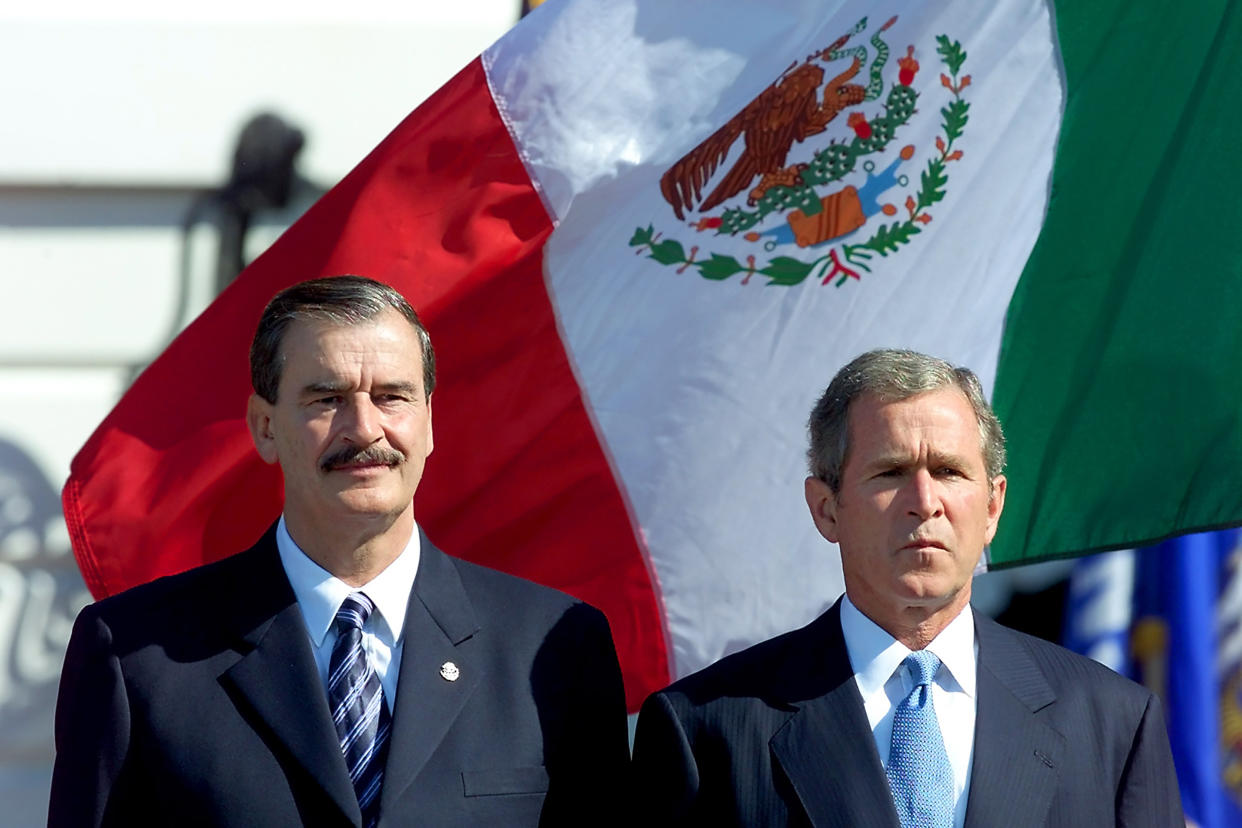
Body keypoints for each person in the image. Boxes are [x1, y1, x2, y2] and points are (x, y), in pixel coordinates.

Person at [50, 275, 630, 827]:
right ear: (266, 427)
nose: (365, 429)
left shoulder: (555, 648)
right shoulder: (136, 656)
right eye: (327, 398)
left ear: (429, 421)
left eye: (392, 396)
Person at [630, 348, 1182, 827]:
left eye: (948, 471)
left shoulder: (1113, 721)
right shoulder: (704, 730)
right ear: (826, 509)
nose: (925, 500)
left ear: (992, 508)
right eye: (891, 472)